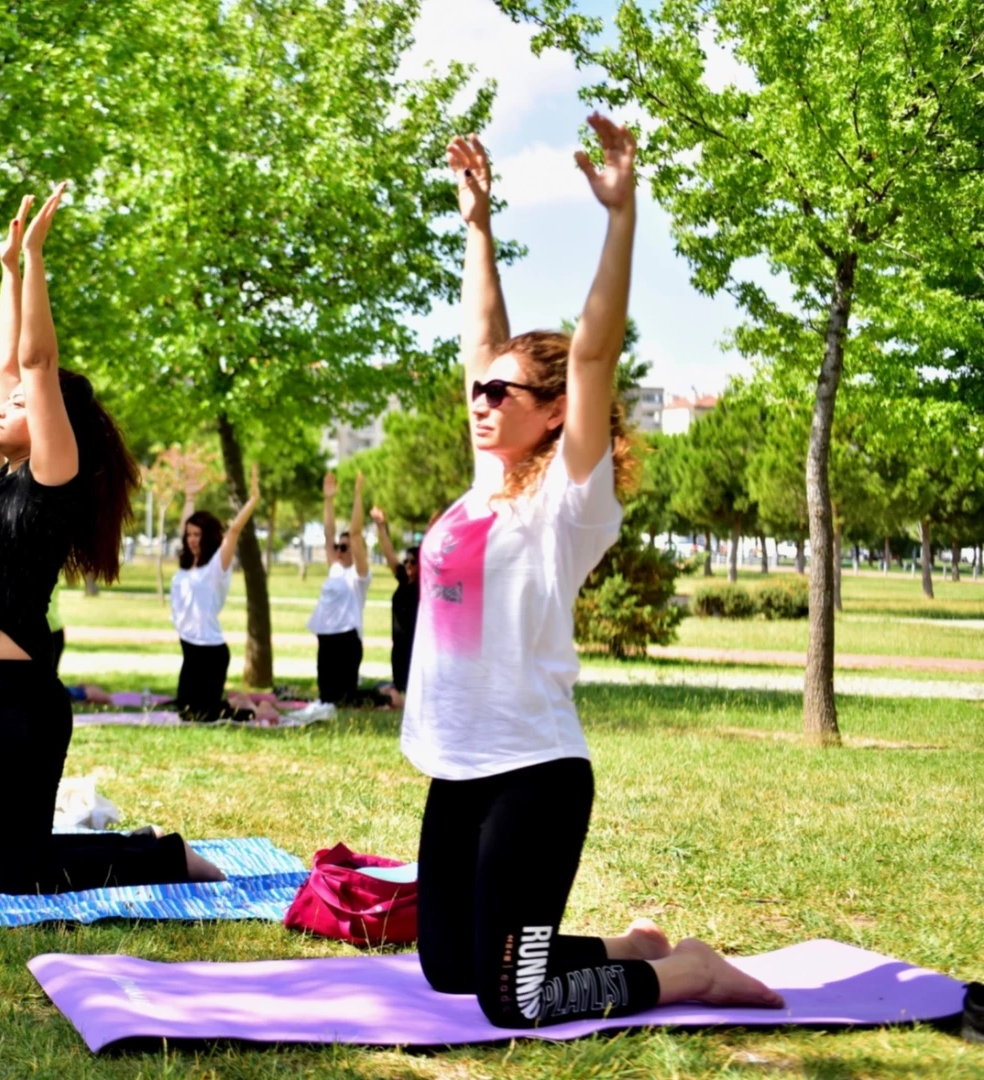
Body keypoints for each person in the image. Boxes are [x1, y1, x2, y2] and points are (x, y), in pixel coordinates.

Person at [404, 119, 783, 1029]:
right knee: (450, 970)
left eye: (503, 393)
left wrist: (621, 214)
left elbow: (592, 354)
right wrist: (477, 226)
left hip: (534, 771)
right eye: (477, 392)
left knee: (513, 1003)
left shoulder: (567, 505)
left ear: (554, 415)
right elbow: (482, 334)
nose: (482, 402)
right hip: (458, 768)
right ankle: (628, 948)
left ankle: (686, 972)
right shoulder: (485, 485)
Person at [0, 186, 223, 894]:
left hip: (16, 696)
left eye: (20, 407)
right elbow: (13, 368)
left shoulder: (48, 480)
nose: (1, 406)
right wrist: (6, 271)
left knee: (18, 873)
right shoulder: (6, 478)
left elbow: (35, 363)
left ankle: (162, 856)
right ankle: (118, 846)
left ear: (52, 421)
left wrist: (35, 260)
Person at [170, 465, 279, 723]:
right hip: (190, 648)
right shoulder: (186, 567)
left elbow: (233, 532)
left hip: (210, 652)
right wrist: (189, 498)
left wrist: (252, 501)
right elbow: (182, 529)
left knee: (202, 715)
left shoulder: (216, 567)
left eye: (197, 534)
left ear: (208, 536)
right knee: (186, 711)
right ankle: (238, 702)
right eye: (189, 535)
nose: (192, 539)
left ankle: (256, 711)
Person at [307, 471, 376, 706]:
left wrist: (358, 495)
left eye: (344, 547)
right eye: (338, 546)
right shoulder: (335, 568)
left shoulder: (359, 575)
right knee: (326, 697)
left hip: (347, 639)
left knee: (345, 699)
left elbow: (355, 533)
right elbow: (328, 532)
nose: (338, 550)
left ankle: (381, 697)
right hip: (326, 637)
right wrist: (328, 500)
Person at [370, 506, 419, 706]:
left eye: (412, 562)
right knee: (398, 685)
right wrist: (381, 527)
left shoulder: (422, 586)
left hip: (414, 646)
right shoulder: (403, 580)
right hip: (398, 645)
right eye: (406, 561)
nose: (407, 565)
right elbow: (389, 555)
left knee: (412, 687)